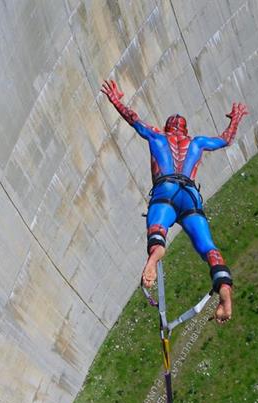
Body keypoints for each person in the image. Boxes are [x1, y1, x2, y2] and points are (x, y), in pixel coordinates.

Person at [101, 80, 248, 324]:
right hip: (190, 197)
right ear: (185, 130)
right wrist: (235, 118)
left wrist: (115, 99)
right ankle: (226, 297)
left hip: (165, 190)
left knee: (157, 232)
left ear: (167, 127)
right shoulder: (198, 143)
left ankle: (154, 257)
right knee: (209, 249)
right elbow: (225, 140)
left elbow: (133, 119)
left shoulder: (157, 136)